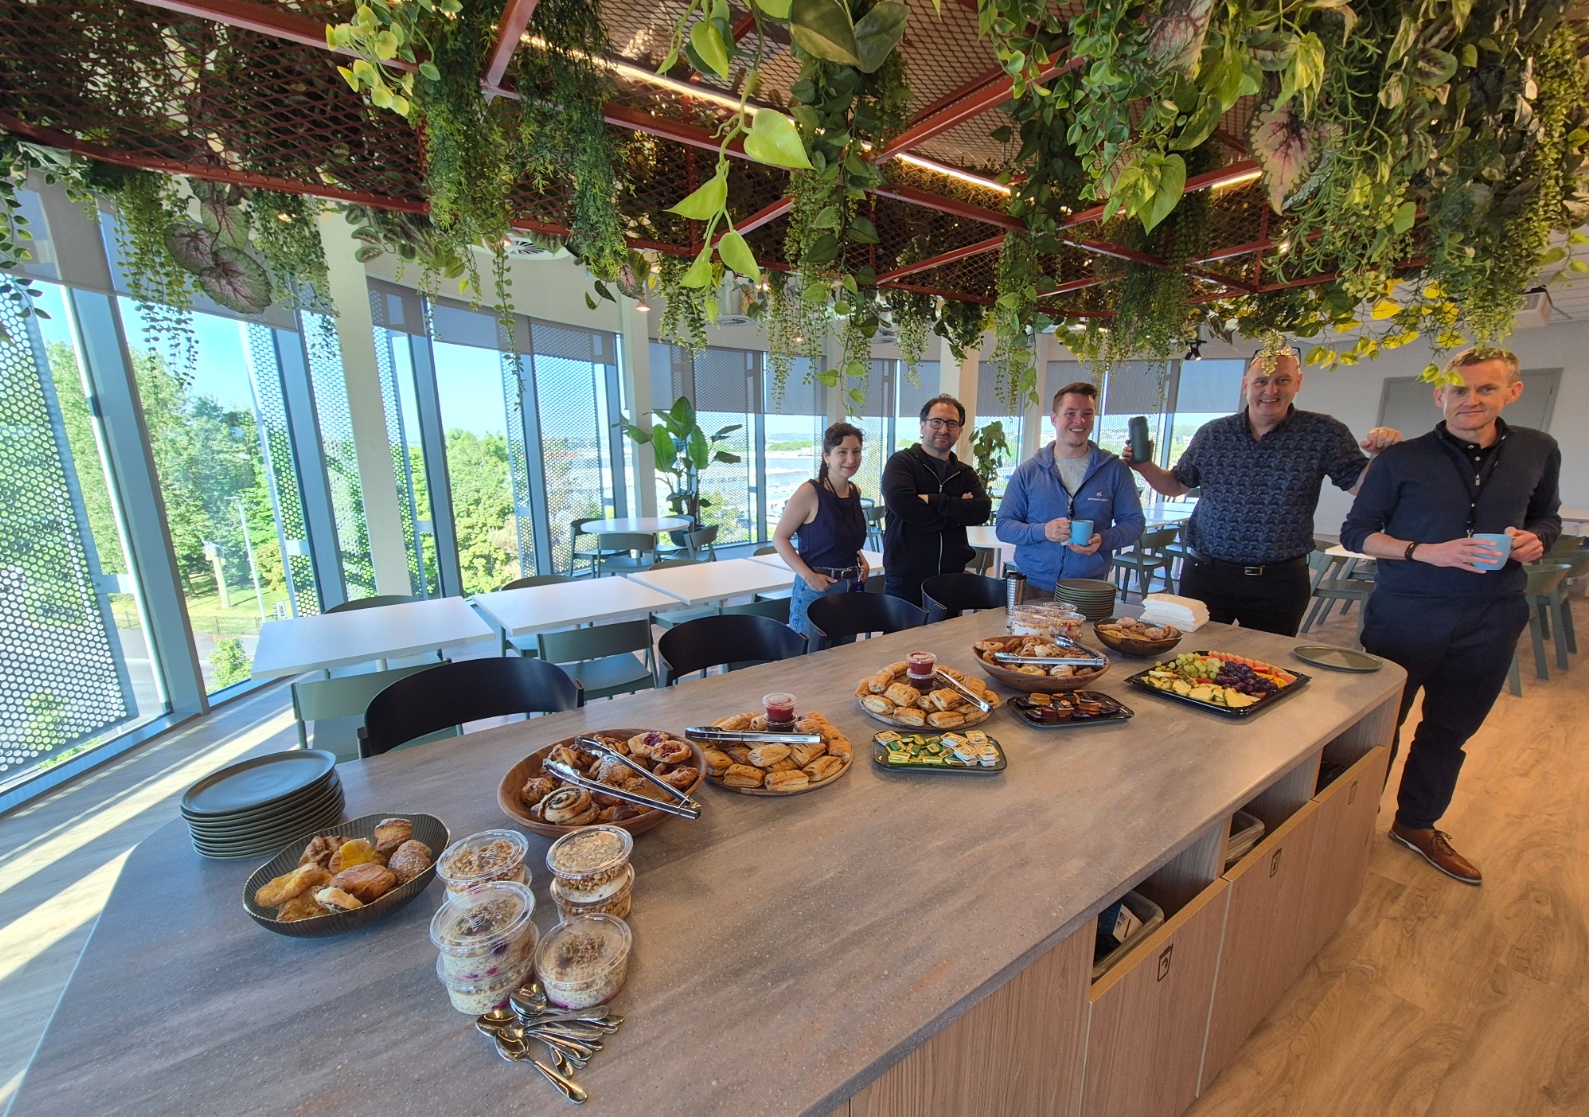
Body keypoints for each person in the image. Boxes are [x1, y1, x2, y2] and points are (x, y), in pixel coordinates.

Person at [1340, 348, 1560, 885]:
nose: (1471, 400)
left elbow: (1545, 515)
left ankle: (1416, 824)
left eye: (1485, 388)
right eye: (1459, 390)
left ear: (1512, 391)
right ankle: (1346, 826)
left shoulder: (1538, 449)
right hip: (1405, 614)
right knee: (1378, 729)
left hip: (1493, 614)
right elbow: (1355, 532)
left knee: (1449, 730)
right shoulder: (1402, 459)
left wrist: (1539, 540)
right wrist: (1425, 551)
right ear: (1440, 395)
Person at [1123, 346, 1401, 635]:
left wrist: (1381, 456)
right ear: (1246, 385)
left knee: (1266, 667)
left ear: (1298, 383)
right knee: (1191, 659)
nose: (1271, 389)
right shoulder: (1213, 433)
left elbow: (1360, 486)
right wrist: (1143, 466)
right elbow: (1177, 484)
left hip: (1278, 583)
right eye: (1261, 381)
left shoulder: (1323, 432)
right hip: (1207, 576)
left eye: (1282, 380)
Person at [995, 381, 1146, 595]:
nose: (1080, 421)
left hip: (1090, 586)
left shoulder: (1114, 470)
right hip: (1033, 585)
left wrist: (1104, 539)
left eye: (1088, 413)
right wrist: (1044, 531)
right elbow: (1003, 526)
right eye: (1070, 413)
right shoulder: (1029, 471)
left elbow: (1134, 522)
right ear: (1054, 419)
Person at [881, 395, 992, 605]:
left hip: (951, 578)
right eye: (936, 422)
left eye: (952, 423)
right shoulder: (902, 463)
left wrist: (934, 500)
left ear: (959, 431)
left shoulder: (964, 473)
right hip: (906, 577)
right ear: (923, 426)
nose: (943, 429)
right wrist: (956, 514)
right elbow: (904, 505)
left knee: (947, 638)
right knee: (903, 638)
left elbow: (982, 510)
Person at [773, 422, 870, 639]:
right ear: (827, 456)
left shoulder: (854, 491)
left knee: (843, 661)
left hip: (850, 588)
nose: (851, 459)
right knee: (809, 662)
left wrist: (860, 559)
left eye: (856, 452)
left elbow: (844, 537)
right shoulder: (810, 491)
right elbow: (780, 538)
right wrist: (809, 578)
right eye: (842, 452)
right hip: (817, 589)